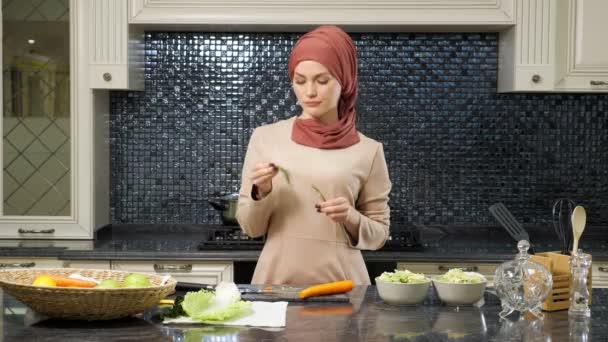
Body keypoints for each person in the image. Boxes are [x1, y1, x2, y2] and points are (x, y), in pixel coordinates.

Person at [236, 25, 391, 285]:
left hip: (343, 286)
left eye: (322, 80)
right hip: (276, 284)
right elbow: (251, 228)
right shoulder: (266, 138)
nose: (309, 92)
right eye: (300, 81)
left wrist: (350, 217)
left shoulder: (369, 150)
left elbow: (379, 235)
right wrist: (260, 193)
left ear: (346, 80)